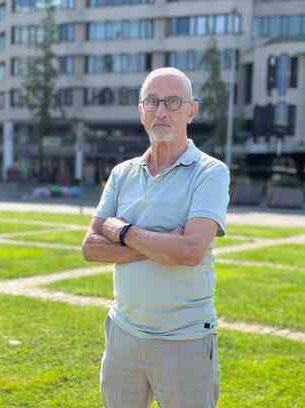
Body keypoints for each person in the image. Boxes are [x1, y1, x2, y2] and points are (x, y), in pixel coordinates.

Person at [81, 67, 231, 408]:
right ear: (141, 110)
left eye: (173, 102)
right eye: (152, 101)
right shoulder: (122, 174)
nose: (161, 111)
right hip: (123, 334)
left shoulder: (211, 172)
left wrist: (123, 232)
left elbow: (191, 252)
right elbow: (90, 247)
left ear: (191, 110)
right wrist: (163, 246)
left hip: (185, 338)